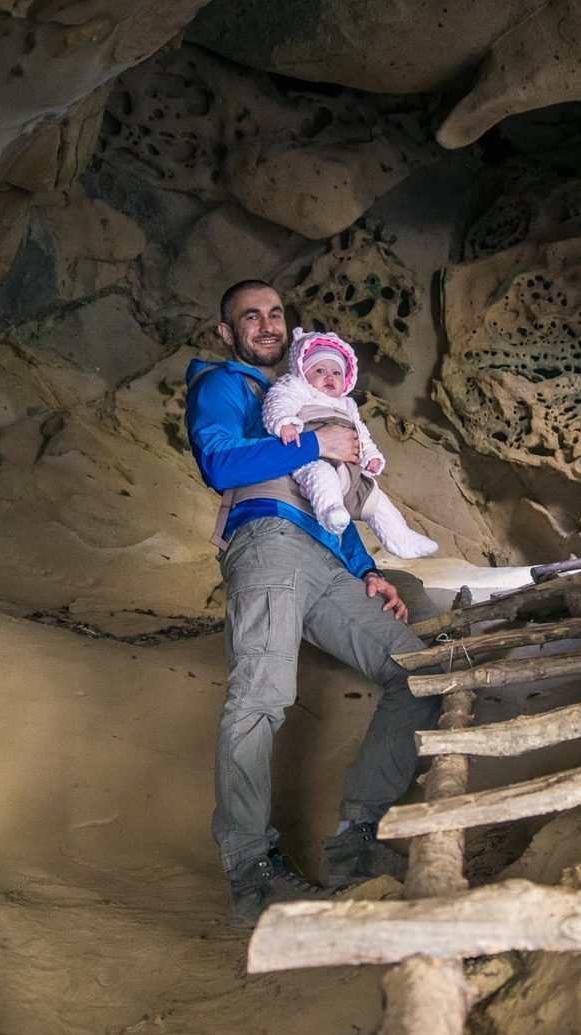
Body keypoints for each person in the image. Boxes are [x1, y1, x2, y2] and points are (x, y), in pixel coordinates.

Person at [184, 279, 441, 928]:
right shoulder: (225, 384)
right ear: (227, 330)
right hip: (267, 544)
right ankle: (252, 876)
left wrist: (367, 570)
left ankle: (356, 839)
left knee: (419, 672)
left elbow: (333, 497)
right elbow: (219, 460)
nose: (266, 324)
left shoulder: (311, 394)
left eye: (275, 313)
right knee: (260, 697)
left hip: (327, 559)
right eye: (249, 315)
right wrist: (311, 444)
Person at [263, 327, 438, 558]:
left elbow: (361, 434)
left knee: (376, 499)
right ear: (303, 372)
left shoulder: (348, 405)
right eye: (320, 370)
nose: (329, 377)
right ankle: (330, 512)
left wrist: (371, 457)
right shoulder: (298, 388)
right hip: (314, 459)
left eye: (336, 372)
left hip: (350, 468)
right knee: (322, 477)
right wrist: (284, 422)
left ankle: (402, 539)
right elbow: (279, 401)